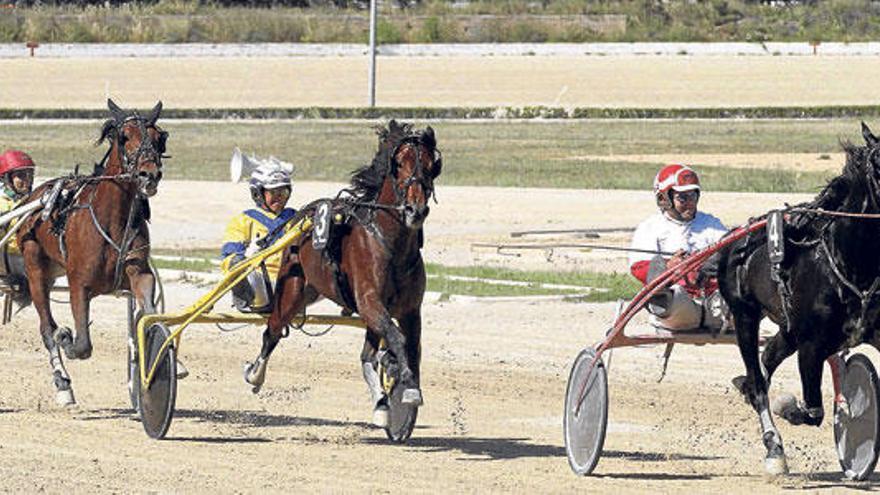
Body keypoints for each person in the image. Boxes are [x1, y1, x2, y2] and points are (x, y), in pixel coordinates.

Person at [629, 164, 728, 331]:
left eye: (693, 196)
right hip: (679, 308)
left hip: (715, 306)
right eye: (683, 198)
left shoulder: (712, 224)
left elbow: (730, 253)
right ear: (664, 199)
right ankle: (660, 299)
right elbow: (638, 267)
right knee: (672, 288)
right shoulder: (651, 227)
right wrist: (669, 267)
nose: (690, 203)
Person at [220, 160, 297, 312]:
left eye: (283, 192)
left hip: (294, 282)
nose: (280, 197)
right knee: (237, 264)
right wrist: (245, 257)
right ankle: (244, 294)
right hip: (261, 283)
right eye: (273, 193)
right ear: (258, 194)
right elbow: (228, 256)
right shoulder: (243, 220)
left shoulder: (297, 218)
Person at [0, 149, 36, 291]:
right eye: (21, 176)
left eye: (30, 175)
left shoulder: (35, 200)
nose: (27, 180)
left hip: (28, 259)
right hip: (5, 259)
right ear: (7, 178)